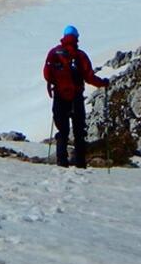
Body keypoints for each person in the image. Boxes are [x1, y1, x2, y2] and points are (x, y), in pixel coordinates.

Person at [43, 25, 109, 168]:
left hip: (59, 96)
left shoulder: (54, 53)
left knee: (62, 130)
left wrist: (55, 83)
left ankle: (61, 160)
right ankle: (80, 161)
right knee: (79, 131)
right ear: (76, 38)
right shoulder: (80, 55)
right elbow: (89, 77)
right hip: (76, 97)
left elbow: (47, 74)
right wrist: (103, 83)